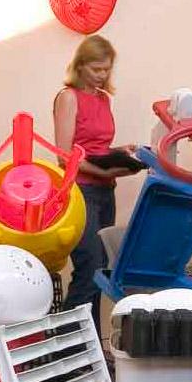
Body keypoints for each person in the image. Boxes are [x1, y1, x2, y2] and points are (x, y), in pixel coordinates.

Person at [53, 35, 134, 332]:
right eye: (96, 69)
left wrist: (120, 153)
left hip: (104, 191)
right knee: (89, 266)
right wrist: (105, 171)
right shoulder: (68, 97)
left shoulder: (103, 98)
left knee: (100, 272)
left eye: (106, 69)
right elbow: (65, 156)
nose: (102, 75)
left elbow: (96, 148)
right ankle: (66, 345)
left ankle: (91, 346)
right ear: (80, 66)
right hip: (80, 191)